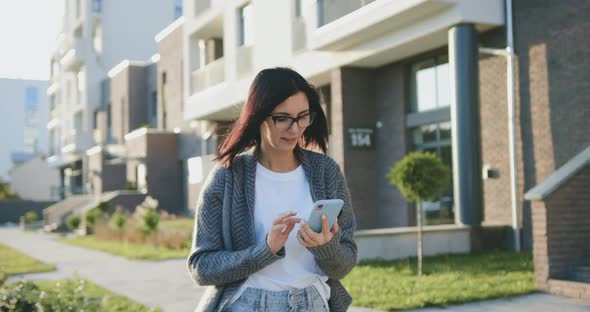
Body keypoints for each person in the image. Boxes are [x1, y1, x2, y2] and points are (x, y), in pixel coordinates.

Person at [187, 67, 357, 312]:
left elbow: (345, 263)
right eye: (282, 118)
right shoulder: (227, 177)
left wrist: (325, 248)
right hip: (247, 304)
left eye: (302, 116)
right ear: (258, 117)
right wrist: (265, 250)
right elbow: (201, 267)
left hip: (314, 303)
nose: (295, 128)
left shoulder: (327, 172)